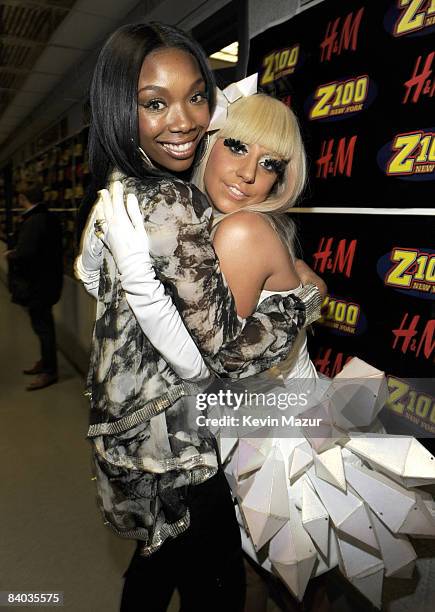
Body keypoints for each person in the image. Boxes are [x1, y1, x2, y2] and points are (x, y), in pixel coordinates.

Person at [75, 22, 324, 612]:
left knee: (227, 572)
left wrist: (306, 299)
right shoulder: (191, 216)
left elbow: (214, 363)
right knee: (195, 565)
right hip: (229, 424)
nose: (248, 173)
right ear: (212, 141)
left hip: (260, 430)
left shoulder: (235, 228)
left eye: (271, 164)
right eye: (237, 146)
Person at [6, 182, 63, 391]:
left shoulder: (34, 221)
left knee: (43, 327)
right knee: (43, 326)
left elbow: (26, 253)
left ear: (23, 199)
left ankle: (49, 371)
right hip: (47, 283)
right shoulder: (46, 217)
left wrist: (11, 254)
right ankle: (46, 362)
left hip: (38, 285)